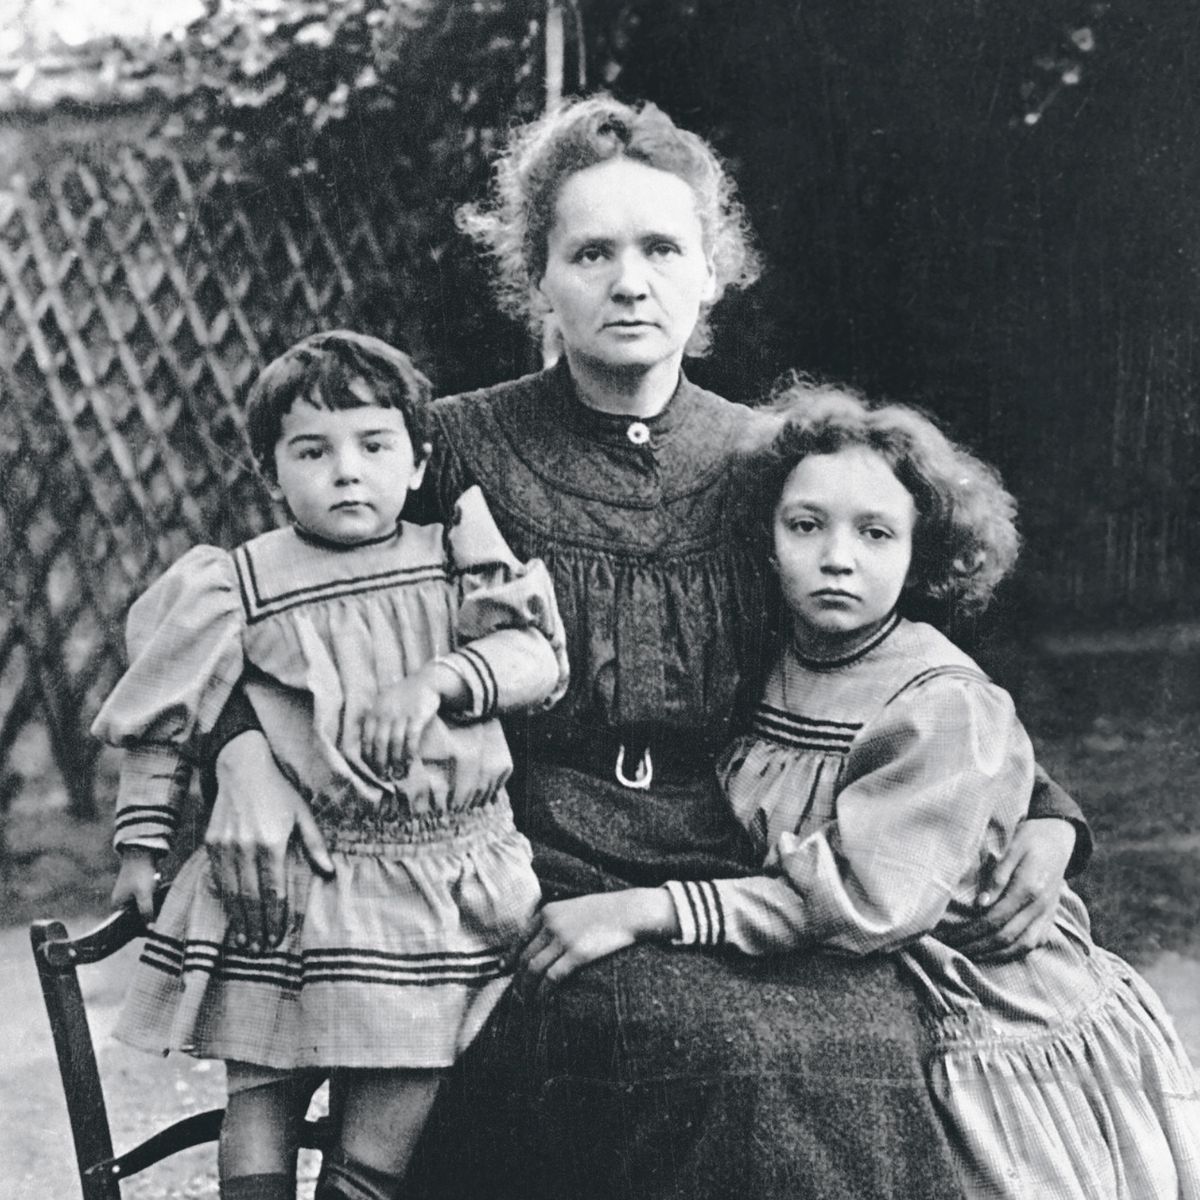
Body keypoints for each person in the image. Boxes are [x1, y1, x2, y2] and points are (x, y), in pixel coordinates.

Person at [203, 97, 1090, 1199]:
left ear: (711, 274)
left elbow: (894, 658)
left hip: (734, 860)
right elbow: (276, 604)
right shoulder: (450, 449)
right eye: (592, 253)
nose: (630, 282)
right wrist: (242, 754)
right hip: (526, 870)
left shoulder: (769, 462)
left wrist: (1046, 812)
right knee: (703, 1046)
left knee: (871, 1033)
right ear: (538, 279)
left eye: (663, 249)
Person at [517, 380, 1200, 1198]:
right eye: (806, 526)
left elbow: (866, 898)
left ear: (922, 552)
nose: (837, 557)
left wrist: (649, 908)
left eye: (875, 533)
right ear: (767, 540)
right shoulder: (772, 657)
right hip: (846, 964)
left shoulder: (939, 701)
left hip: (981, 1005)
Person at [91, 331, 569, 1200]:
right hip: (298, 877)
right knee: (263, 1089)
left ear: (418, 463)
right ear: (272, 475)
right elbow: (166, 712)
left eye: (374, 446)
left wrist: (444, 678)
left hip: (441, 877)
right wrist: (140, 847)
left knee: (406, 1081)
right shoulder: (240, 582)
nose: (346, 472)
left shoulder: (453, 556)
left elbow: (535, 658)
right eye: (312, 452)